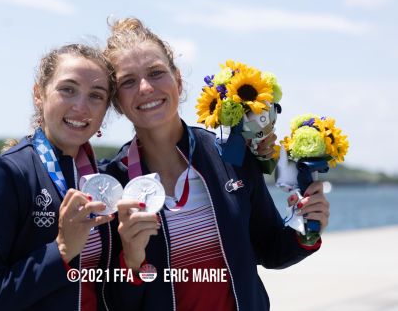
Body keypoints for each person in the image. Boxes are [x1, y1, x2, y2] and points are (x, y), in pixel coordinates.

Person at [101, 18, 330, 311]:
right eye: (128, 81)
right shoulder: (112, 184)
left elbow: (268, 247)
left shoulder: (230, 155)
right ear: (117, 102)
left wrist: (305, 229)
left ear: (178, 80)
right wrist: (131, 263)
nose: (145, 87)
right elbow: (110, 299)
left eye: (156, 73)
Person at [0, 44, 116, 310]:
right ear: (39, 94)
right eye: (68, 90)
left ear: (105, 109)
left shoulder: (103, 182)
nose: (81, 107)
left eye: (96, 96)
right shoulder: (2, 176)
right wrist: (60, 250)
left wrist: (135, 255)